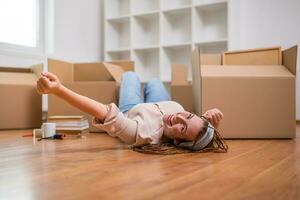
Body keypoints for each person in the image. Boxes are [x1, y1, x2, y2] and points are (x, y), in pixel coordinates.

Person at [36, 71, 228, 154]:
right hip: (162, 103)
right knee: (154, 80)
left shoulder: (142, 134)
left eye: (182, 127)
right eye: (188, 115)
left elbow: (102, 111)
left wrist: (58, 90)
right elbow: (196, 127)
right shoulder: (178, 113)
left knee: (130, 75)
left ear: (177, 142)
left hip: (133, 110)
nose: (177, 117)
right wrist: (210, 123)